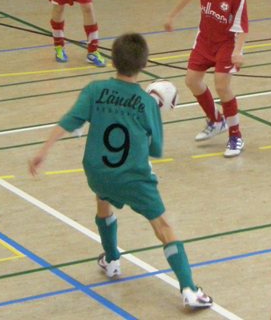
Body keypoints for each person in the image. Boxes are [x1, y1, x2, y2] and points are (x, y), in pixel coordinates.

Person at [28, 32, 213, 311]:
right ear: (144, 64)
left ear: (112, 60)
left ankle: (112, 259)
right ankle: (189, 289)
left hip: (97, 173)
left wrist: (43, 151)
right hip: (133, 178)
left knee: (103, 199)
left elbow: (69, 120)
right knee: (163, 228)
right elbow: (155, 148)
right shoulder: (147, 103)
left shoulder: (94, 90)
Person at [164, 0, 248, 158]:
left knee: (221, 85)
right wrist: (172, 16)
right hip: (205, 39)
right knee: (192, 80)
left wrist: (238, 52)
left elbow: (242, 25)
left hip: (227, 43)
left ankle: (236, 136)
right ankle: (215, 120)